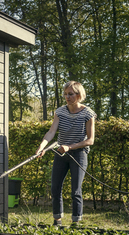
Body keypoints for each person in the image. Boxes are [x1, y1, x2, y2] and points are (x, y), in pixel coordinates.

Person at [36, 81, 96, 225]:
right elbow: (51, 132)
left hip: (79, 154)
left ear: (79, 95)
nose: (67, 97)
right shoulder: (60, 112)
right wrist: (42, 146)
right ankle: (57, 221)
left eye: (70, 94)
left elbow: (90, 140)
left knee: (75, 190)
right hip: (61, 154)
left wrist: (70, 147)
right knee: (55, 187)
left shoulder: (88, 113)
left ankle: (76, 223)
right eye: (65, 94)